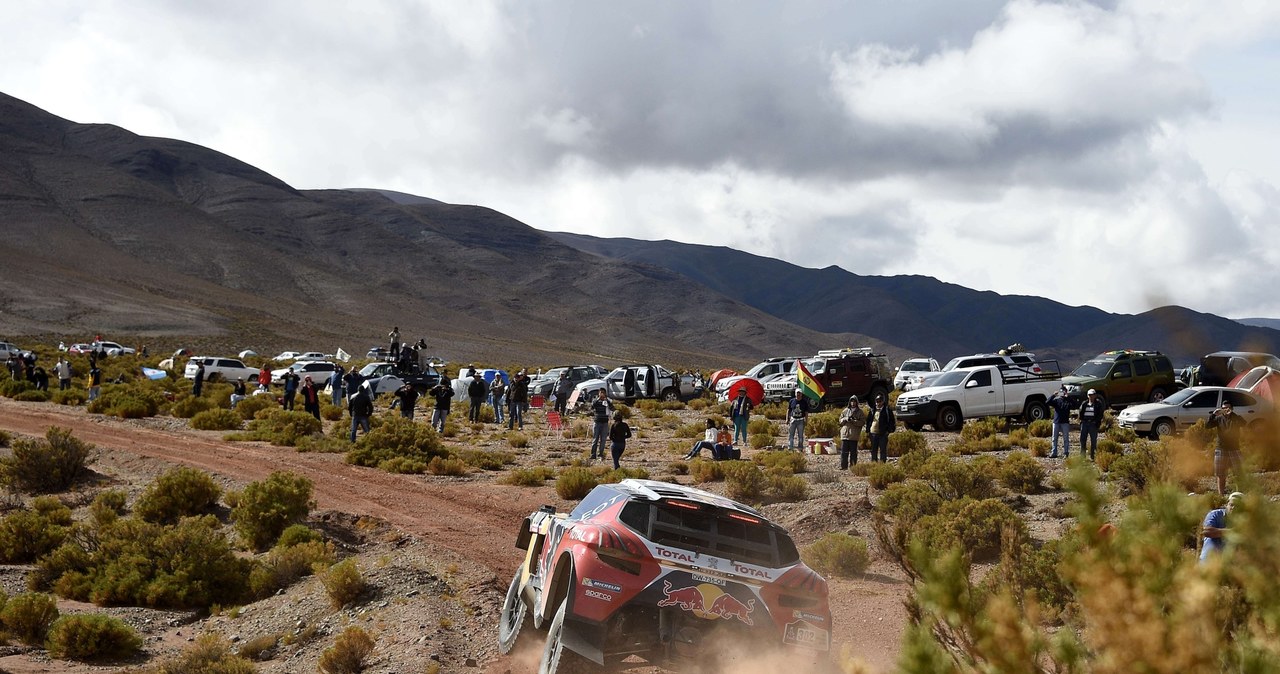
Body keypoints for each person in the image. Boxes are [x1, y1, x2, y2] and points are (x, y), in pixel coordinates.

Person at [1209, 400, 1246, 494]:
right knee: (1220, 474)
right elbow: (1208, 425)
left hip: (1234, 448)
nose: (1226, 410)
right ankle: (1221, 495)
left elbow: (1243, 423)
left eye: (1228, 408)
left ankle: (1239, 493)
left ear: (1232, 409)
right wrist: (1214, 414)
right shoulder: (1218, 419)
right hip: (1221, 448)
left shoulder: (1236, 418)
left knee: (1239, 472)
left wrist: (1233, 415)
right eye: (1224, 408)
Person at [1200, 491, 1243, 563]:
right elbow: (1207, 532)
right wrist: (1231, 532)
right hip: (1208, 564)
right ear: (1227, 504)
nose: (1233, 508)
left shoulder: (1243, 521)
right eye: (1231, 505)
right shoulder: (1215, 514)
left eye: (1237, 506)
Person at [864, 395, 895, 462]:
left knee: (882, 450)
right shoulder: (872, 410)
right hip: (873, 433)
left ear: (883, 401)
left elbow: (891, 421)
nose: (878, 403)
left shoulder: (887, 411)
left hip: (883, 433)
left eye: (880, 401)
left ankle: (882, 464)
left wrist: (889, 430)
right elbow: (868, 421)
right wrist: (867, 430)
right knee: (873, 450)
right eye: (877, 401)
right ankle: (874, 463)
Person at [838, 396, 866, 470]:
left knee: (853, 453)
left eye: (854, 402)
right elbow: (840, 421)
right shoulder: (845, 411)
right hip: (845, 434)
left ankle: (853, 467)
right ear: (849, 402)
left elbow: (862, 422)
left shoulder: (860, 412)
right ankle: (843, 466)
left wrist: (854, 421)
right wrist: (845, 419)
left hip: (854, 435)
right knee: (844, 453)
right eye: (851, 401)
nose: (853, 403)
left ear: (857, 402)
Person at [1047, 386, 1075, 458]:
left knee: (1066, 438)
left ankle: (1066, 453)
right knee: (1054, 438)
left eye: (1064, 392)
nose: (1062, 394)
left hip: (1065, 422)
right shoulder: (1057, 401)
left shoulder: (1068, 401)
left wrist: (1068, 397)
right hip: (1056, 422)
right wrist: (1053, 395)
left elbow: (1075, 405)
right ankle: (1054, 452)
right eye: (1061, 392)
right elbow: (1047, 402)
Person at [1078, 389, 1106, 460]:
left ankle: (1093, 456)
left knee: (1093, 440)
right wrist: (1081, 420)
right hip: (1085, 423)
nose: (1091, 396)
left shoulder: (1098, 404)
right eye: (1090, 395)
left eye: (1092, 395)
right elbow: (1080, 412)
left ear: (1095, 395)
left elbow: (1100, 414)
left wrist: (1096, 421)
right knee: (1082, 440)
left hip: (1093, 424)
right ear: (1088, 396)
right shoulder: (1084, 404)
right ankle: (1082, 456)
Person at [590, 389, 612, 461]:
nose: (602, 394)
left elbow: (612, 408)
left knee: (603, 440)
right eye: (601, 393)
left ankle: (601, 454)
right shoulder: (595, 401)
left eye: (603, 393)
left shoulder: (607, 401)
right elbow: (592, 407)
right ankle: (593, 454)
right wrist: (598, 399)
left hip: (605, 422)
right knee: (595, 439)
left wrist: (607, 400)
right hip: (597, 422)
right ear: (598, 393)